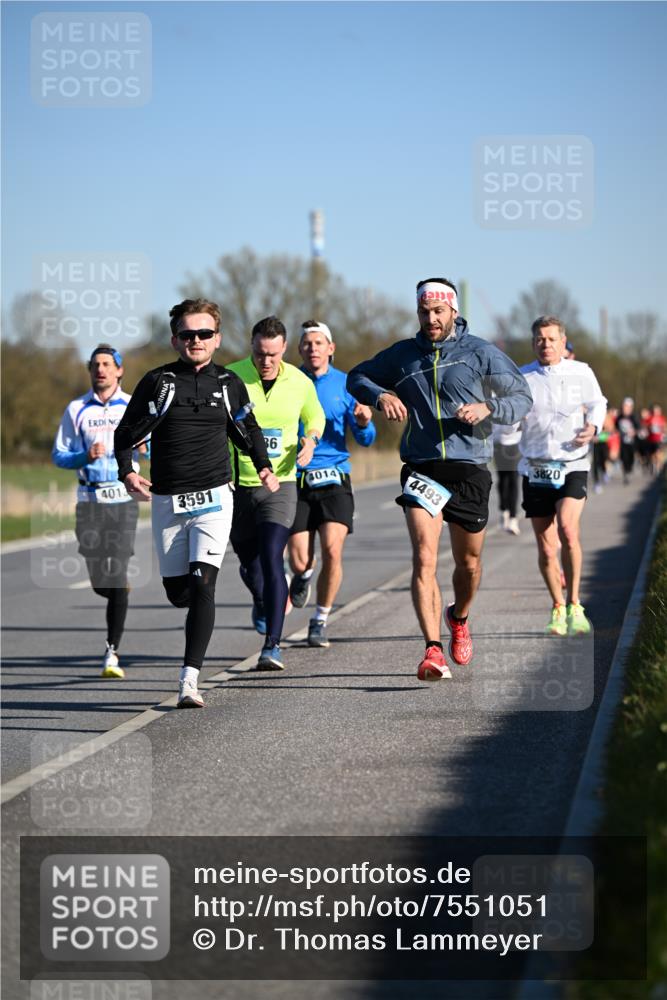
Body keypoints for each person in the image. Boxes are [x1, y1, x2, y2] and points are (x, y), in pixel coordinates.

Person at [347, 278, 532, 680]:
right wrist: (381, 396)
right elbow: (357, 377)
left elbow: (522, 398)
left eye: (437, 312)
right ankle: (432, 650)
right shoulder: (402, 355)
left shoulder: (480, 352)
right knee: (425, 558)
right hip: (422, 468)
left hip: (469, 468)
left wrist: (488, 408)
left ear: (453, 311)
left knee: (469, 563)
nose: (430, 319)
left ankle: (459, 617)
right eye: (424, 312)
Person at [114, 299, 278, 708]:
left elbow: (248, 427)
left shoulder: (228, 383)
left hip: (215, 497)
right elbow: (125, 433)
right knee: (178, 592)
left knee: (204, 583)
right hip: (168, 500)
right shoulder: (158, 381)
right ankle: (187, 603)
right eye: (187, 334)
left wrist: (263, 465)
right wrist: (128, 471)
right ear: (175, 340)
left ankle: (189, 679)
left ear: (217, 339)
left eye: (204, 333)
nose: (196, 340)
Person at [227, 316, 325, 670]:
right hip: (238, 486)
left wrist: (310, 441)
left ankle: (272, 646)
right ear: (251, 347)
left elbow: (315, 417)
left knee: (272, 559)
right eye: (259, 354)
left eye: (272, 354)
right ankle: (261, 599)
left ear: (284, 348)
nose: (265, 361)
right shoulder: (230, 377)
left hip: (280, 484)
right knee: (250, 564)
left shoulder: (299, 381)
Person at [53, 344, 145, 679]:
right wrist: (84, 456)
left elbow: (155, 448)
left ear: (119, 370)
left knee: (116, 575)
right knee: (100, 580)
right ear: (90, 370)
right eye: (96, 365)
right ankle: (117, 590)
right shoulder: (76, 408)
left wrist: (146, 448)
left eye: (107, 364)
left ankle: (111, 652)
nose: (101, 369)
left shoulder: (133, 406)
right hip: (89, 501)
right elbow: (59, 455)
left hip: (122, 501)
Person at [286, 320, 376, 647]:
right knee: (299, 560)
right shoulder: (287, 381)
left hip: (334, 475)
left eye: (319, 343)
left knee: (333, 551)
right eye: (307, 343)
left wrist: (363, 423)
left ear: (331, 348)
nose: (313, 349)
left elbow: (366, 439)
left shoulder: (346, 384)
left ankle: (320, 620)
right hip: (296, 477)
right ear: (299, 349)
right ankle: (303, 575)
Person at [518, 316, 607, 636]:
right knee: (545, 548)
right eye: (540, 339)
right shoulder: (522, 377)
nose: (546, 344)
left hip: (572, 463)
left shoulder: (580, 372)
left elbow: (598, 402)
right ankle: (557, 606)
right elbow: (507, 416)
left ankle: (575, 604)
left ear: (563, 341)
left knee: (568, 529)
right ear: (533, 343)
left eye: (552, 339)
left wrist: (593, 426)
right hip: (536, 467)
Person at [492, 422, 521, 535]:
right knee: (503, 479)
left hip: (515, 443)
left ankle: (513, 518)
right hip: (498, 442)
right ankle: (504, 511)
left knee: (513, 479)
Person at [616, 397, 639, 484]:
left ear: (631, 408)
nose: (625, 409)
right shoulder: (619, 417)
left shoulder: (634, 417)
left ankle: (629, 469)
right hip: (622, 443)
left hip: (632, 443)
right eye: (624, 406)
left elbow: (639, 428)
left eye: (627, 407)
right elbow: (615, 427)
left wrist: (633, 432)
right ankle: (625, 474)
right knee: (623, 458)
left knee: (631, 458)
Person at [643, 403, 666, 475]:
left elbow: (665, 427)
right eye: (655, 410)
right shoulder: (650, 418)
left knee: (658, 454)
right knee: (652, 455)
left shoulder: (662, 418)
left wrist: (664, 432)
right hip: (651, 440)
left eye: (658, 410)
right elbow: (645, 426)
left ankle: (659, 469)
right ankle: (653, 465)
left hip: (659, 440)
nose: (656, 412)